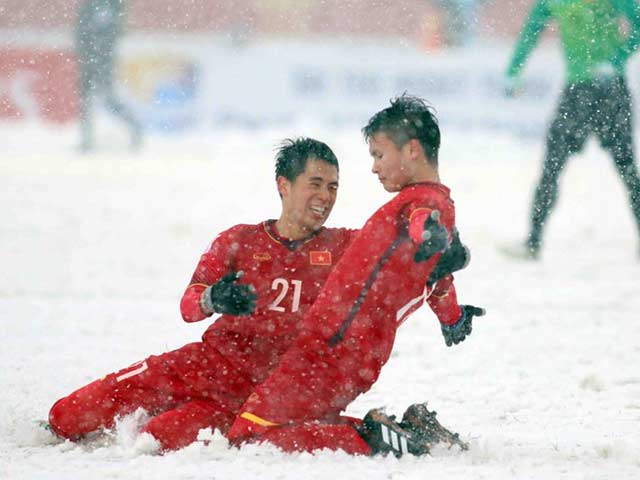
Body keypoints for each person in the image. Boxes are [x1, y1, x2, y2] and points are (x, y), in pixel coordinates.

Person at [48, 137, 356, 451]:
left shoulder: (346, 247)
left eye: (333, 187)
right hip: (207, 366)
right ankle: (155, 405)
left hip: (258, 396)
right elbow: (188, 306)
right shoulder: (240, 239)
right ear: (284, 185)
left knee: (158, 438)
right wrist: (214, 298)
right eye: (315, 184)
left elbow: (399, 243)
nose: (325, 197)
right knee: (66, 417)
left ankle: (168, 415)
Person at [226, 95, 485, 457]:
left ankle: (376, 440)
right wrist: (452, 318)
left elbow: (422, 222)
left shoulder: (423, 204)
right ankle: (408, 432)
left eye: (379, 155)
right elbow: (437, 276)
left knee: (248, 437)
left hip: (331, 348)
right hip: (347, 350)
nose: (375, 168)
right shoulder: (436, 205)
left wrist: (429, 231)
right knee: (287, 424)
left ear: (412, 150)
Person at [503, 0, 640, 259]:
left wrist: (616, 60)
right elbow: (531, 31)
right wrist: (513, 71)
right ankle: (532, 241)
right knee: (553, 166)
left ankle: (532, 242)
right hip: (579, 94)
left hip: (610, 92)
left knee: (626, 168)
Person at [75, 0, 142, 153]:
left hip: (102, 60)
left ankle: (134, 127)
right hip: (89, 58)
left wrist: (98, 47)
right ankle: (87, 139)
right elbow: (80, 29)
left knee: (108, 99)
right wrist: (83, 50)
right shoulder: (93, 4)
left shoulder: (113, 4)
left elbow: (117, 29)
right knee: (85, 100)